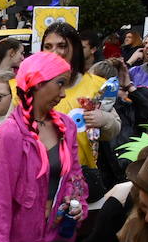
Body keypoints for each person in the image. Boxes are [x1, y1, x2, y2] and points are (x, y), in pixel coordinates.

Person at [0, 52, 87, 242]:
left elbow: (74, 176)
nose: (64, 93)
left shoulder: (66, 127)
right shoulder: (10, 135)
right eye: (59, 83)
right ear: (37, 84)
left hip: (55, 241)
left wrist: (76, 203)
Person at [40, 21, 121, 169]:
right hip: (41, 176)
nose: (54, 52)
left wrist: (104, 119)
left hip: (83, 176)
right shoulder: (30, 87)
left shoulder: (97, 85)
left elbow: (115, 128)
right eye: (48, 46)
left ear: (75, 49)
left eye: (62, 46)